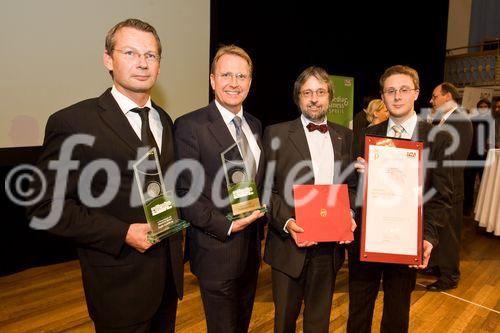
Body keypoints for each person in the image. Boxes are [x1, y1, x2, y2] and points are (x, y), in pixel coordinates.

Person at [27, 19, 183, 332]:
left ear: (159, 65)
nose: (142, 62)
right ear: (108, 60)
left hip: (167, 281)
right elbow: (45, 206)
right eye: (130, 52)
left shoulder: (164, 119)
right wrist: (122, 232)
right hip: (118, 287)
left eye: (150, 55)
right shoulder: (73, 123)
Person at [348, 65, 453, 333]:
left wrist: (427, 236)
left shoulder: (436, 138)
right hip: (367, 241)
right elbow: (349, 188)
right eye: (390, 91)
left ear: (416, 93)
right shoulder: (365, 135)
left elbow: (441, 195)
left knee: (397, 315)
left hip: (406, 242)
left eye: (404, 90)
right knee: (358, 314)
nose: (397, 97)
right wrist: (358, 178)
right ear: (382, 97)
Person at [174, 45, 265, 333]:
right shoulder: (191, 125)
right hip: (216, 249)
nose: (234, 83)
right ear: (213, 80)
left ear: (250, 82)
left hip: (251, 251)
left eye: (241, 76)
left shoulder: (255, 125)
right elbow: (184, 192)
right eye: (226, 74)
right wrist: (227, 226)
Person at [263, 66, 357, 333]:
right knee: (284, 323)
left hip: (328, 251)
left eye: (320, 92)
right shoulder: (276, 134)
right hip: (288, 246)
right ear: (298, 98)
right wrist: (288, 222)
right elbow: (265, 190)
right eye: (307, 93)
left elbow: (350, 187)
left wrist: (348, 217)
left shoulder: (345, 136)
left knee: (319, 324)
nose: (314, 98)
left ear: (329, 96)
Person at [425, 83, 472, 291]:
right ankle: (435, 266)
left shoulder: (459, 120)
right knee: (438, 230)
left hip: (450, 188)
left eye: (435, 96)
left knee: (449, 236)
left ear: (448, 96)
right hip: (442, 187)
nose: (431, 100)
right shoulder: (448, 119)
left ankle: (450, 276)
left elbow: (451, 158)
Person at [463, 98, 492, 215]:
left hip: (485, 157)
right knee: (468, 182)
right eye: (481, 107)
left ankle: (484, 210)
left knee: (485, 183)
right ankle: (467, 207)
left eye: (485, 107)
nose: (483, 109)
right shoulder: (472, 120)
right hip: (472, 155)